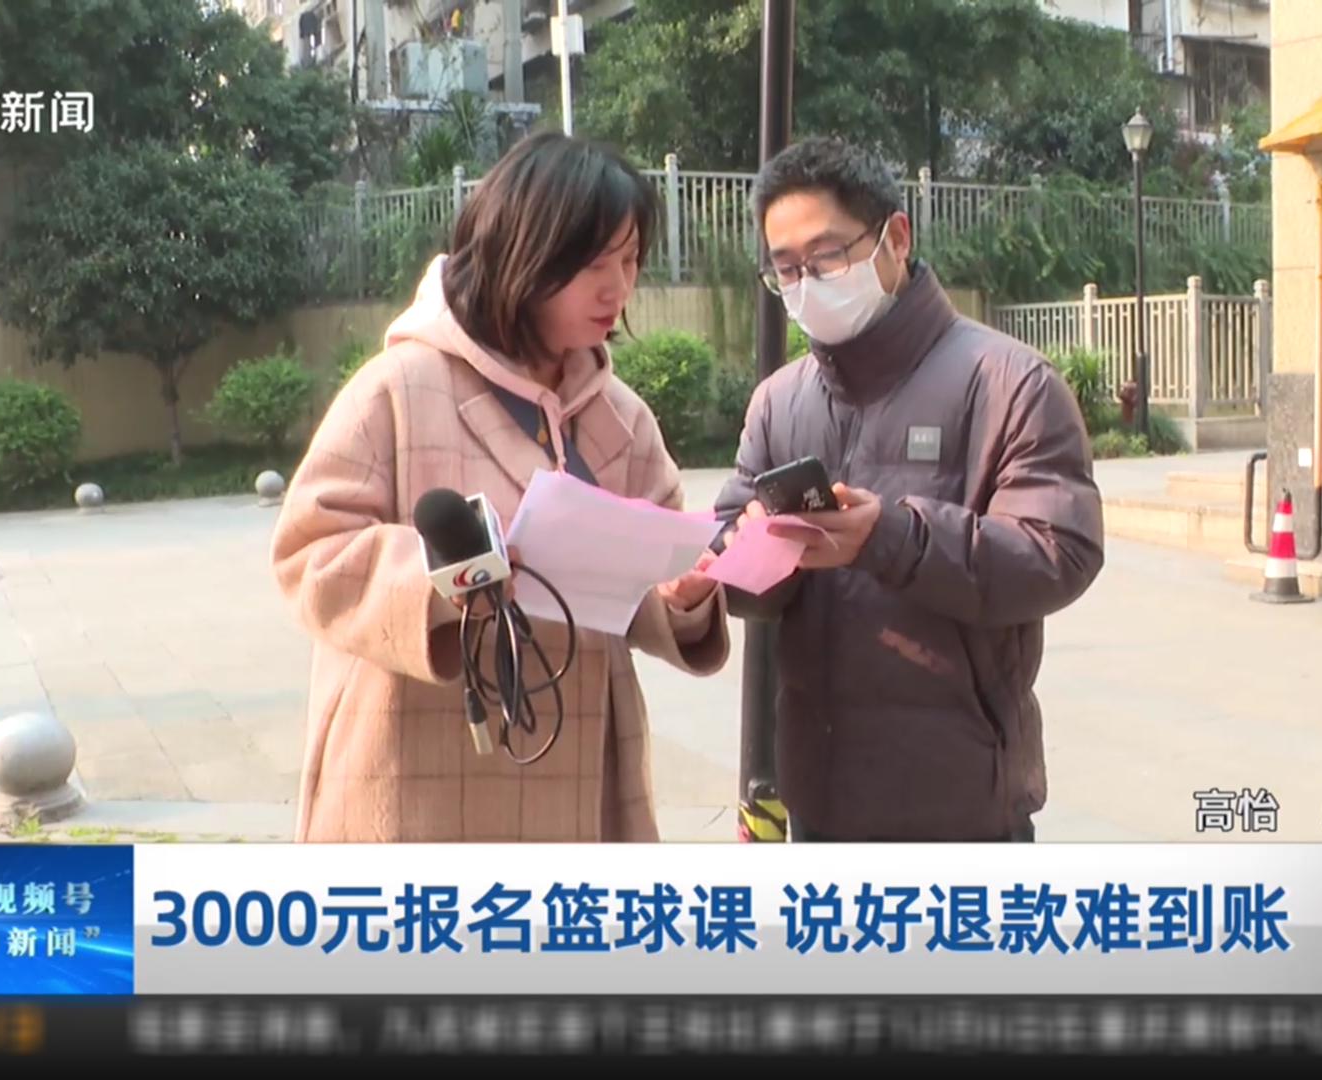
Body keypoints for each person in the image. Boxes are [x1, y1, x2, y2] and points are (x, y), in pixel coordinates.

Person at [272, 133, 730, 843]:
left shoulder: (622, 418)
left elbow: (657, 573)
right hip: (416, 762)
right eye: (594, 264)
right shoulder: (397, 388)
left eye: (631, 260)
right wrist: (446, 581)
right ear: (524, 255)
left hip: (579, 765)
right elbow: (310, 553)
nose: (618, 288)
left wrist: (685, 595)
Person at [714, 137, 1105, 843]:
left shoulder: (1010, 383)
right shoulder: (779, 401)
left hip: (963, 806)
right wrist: (729, 563)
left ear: (896, 238)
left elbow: (1060, 553)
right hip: (818, 799)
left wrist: (891, 537)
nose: (807, 283)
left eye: (827, 256)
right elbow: (735, 547)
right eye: (786, 269)